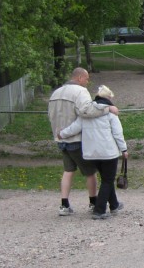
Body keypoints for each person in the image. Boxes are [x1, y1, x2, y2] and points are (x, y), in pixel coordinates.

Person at [48, 67, 119, 216]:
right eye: (86, 79)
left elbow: (51, 115)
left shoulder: (56, 93)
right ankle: (93, 203)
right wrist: (108, 109)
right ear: (80, 78)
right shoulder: (80, 92)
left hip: (61, 138)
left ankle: (64, 204)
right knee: (91, 172)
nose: (87, 82)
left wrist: (59, 133)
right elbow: (87, 110)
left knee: (68, 171)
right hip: (77, 139)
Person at [57, 85, 128, 221]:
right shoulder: (110, 114)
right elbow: (118, 134)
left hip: (91, 153)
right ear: (108, 98)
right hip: (108, 153)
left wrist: (61, 134)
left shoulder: (86, 114)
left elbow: (74, 128)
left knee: (106, 179)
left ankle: (114, 205)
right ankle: (99, 210)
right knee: (108, 180)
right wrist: (124, 149)